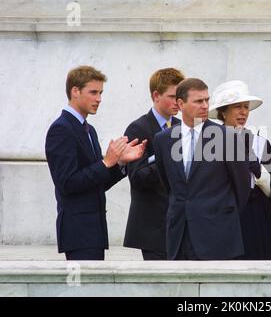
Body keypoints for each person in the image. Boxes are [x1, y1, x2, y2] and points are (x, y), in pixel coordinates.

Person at [45, 65, 147, 260]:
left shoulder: (89, 129)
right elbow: (67, 183)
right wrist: (106, 162)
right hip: (78, 233)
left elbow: (97, 184)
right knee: (81, 290)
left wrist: (120, 163)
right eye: (93, 92)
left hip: (94, 231)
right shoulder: (61, 129)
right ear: (75, 91)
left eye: (100, 93)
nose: (99, 99)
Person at [153, 78, 250, 260]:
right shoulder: (163, 140)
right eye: (198, 101)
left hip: (218, 236)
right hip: (179, 235)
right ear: (180, 104)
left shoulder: (229, 137)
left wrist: (220, 215)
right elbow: (169, 184)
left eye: (207, 100)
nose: (205, 106)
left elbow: (242, 187)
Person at [208, 80, 271, 260]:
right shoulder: (210, 144)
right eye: (237, 107)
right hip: (227, 218)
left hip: (259, 219)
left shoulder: (261, 143)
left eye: (246, 107)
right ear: (223, 111)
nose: (243, 112)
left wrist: (258, 171)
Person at [123, 68, 185, 260]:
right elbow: (137, 178)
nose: (178, 102)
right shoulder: (138, 128)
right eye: (172, 96)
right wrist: (165, 158)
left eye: (180, 97)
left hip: (177, 224)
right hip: (153, 228)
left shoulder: (180, 127)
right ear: (156, 96)